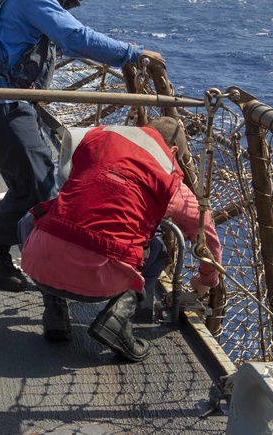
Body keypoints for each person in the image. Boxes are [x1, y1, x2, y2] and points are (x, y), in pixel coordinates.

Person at [0, 0, 164, 292]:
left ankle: (34, 252)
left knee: (39, 180)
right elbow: (75, 38)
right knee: (36, 183)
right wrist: (131, 53)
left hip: (1, 100)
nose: (67, 3)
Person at [18, 117, 223, 362]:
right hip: (101, 282)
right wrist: (206, 280)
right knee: (157, 249)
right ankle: (118, 317)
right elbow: (205, 231)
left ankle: (55, 311)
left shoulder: (99, 137)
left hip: (39, 266)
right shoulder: (168, 176)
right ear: (174, 151)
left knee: (32, 221)